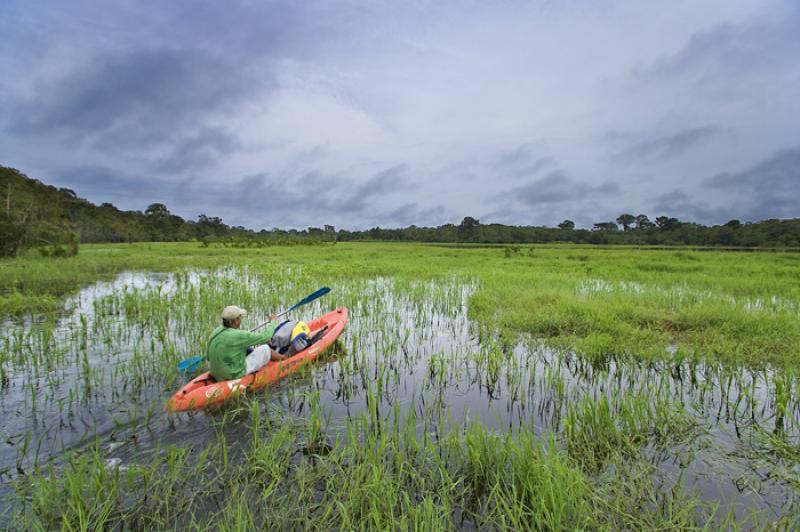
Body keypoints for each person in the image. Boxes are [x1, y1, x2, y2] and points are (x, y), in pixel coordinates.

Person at [206, 305, 286, 381]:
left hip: (215, 375)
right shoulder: (239, 335)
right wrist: (272, 322)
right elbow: (266, 336)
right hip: (233, 374)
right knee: (265, 348)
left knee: (246, 348)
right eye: (240, 318)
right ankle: (285, 359)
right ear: (235, 320)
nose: (240, 320)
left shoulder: (215, 332)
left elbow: (208, 357)